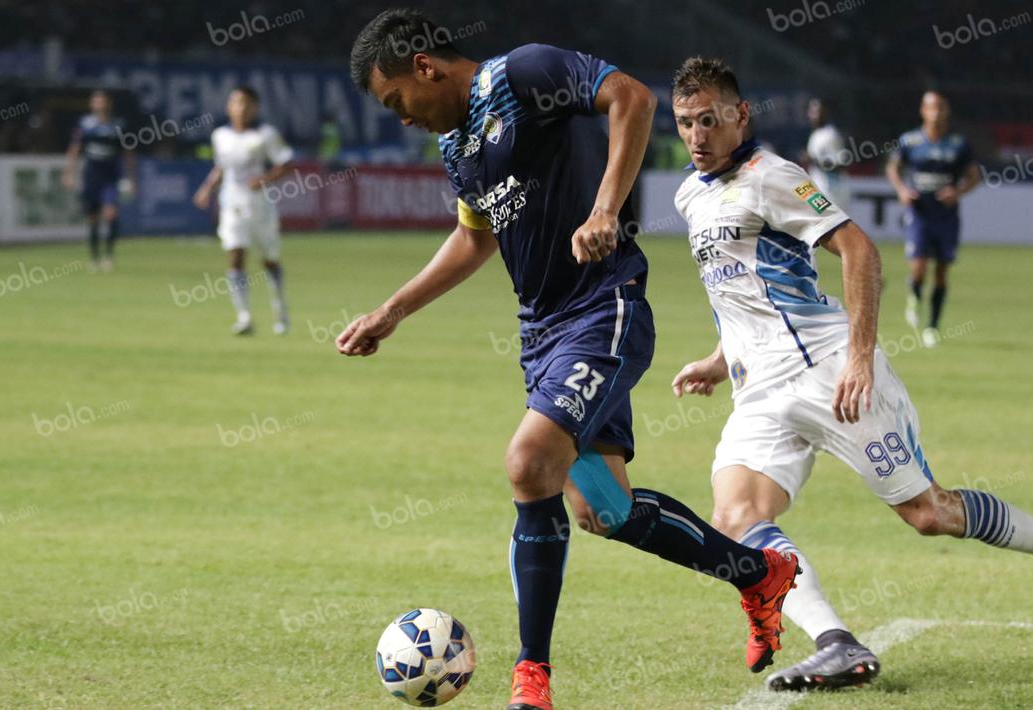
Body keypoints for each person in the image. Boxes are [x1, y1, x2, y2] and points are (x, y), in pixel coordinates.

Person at [340, 10, 799, 710]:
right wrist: (392, 311)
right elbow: (474, 239)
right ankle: (756, 574)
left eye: (396, 101)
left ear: (425, 68)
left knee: (529, 464)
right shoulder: (460, 146)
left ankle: (532, 678)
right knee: (604, 510)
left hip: (603, 309)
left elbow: (631, 98)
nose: (402, 119)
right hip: (542, 336)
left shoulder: (523, 73)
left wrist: (605, 208)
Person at [668, 56, 1033, 692]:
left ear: (740, 115)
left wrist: (860, 356)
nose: (696, 135)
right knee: (736, 517)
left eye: (709, 120)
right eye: (686, 122)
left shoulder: (773, 177)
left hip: (827, 370)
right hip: (761, 391)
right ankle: (836, 643)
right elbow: (742, 291)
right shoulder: (690, 194)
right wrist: (720, 361)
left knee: (929, 513)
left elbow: (858, 248)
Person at [193, 86, 295, 336]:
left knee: (269, 260)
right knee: (235, 256)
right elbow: (221, 167)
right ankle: (244, 316)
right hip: (231, 205)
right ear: (228, 106)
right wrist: (206, 189)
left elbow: (286, 164)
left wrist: (265, 179)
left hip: (260, 206)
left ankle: (280, 310)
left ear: (255, 108)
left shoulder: (265, 135)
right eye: (236, 102)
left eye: (246, 103)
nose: (241, 107)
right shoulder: (220, 136)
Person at [885, 91, 980, 347]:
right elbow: (893, 167)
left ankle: (933, 327)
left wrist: (958, 191)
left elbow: (974, 176)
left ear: (946, 111)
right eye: (931, 107)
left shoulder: (958, 144)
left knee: (940, 272)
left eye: (940, 107)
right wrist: (902, 190)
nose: (935, 112)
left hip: (946, 217)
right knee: (918, 267)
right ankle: (914, 296)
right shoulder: (911, 141)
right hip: (920, 214)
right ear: (923, 111)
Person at [62, 90, 135, 272]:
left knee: (111, 214)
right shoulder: (85, 124)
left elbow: (128, 153)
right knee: (92, 218)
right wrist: (69, 172)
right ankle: (94, 258)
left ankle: (109, 255)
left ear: (108, 103)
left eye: (102, 101)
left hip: (111, 176)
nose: (99, 104)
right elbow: (75, 148)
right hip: (92, 175)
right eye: (96, 101)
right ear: (92, 104)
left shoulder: (118, 126)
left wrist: (131, 178)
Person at [803, 98, 850, 211]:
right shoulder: (815, 134)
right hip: (818, 190)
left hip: (832, 192)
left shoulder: (830, 134)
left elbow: (840, 163)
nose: (814, 115)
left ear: (825, 113)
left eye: (818, 111)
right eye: (811, 111)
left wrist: (814, 160)